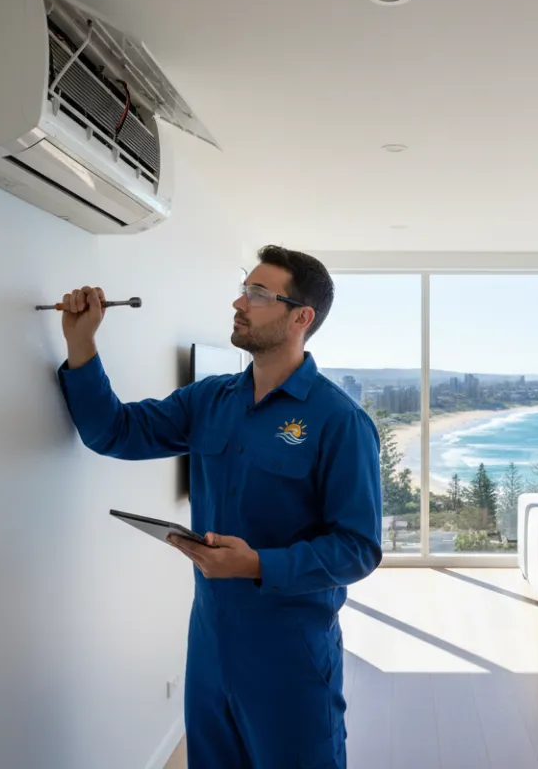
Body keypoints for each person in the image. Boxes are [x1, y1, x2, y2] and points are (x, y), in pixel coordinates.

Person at [55, 245, 383, 768]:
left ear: (302, 317)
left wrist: (255, 563)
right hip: (209, 643)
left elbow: (358, 549)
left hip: (290, 653)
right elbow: (112, 432)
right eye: (243, 288)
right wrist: (81, 344)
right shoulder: (208, 400)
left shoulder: (339, 421)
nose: (239, 302)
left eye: (258, 294)